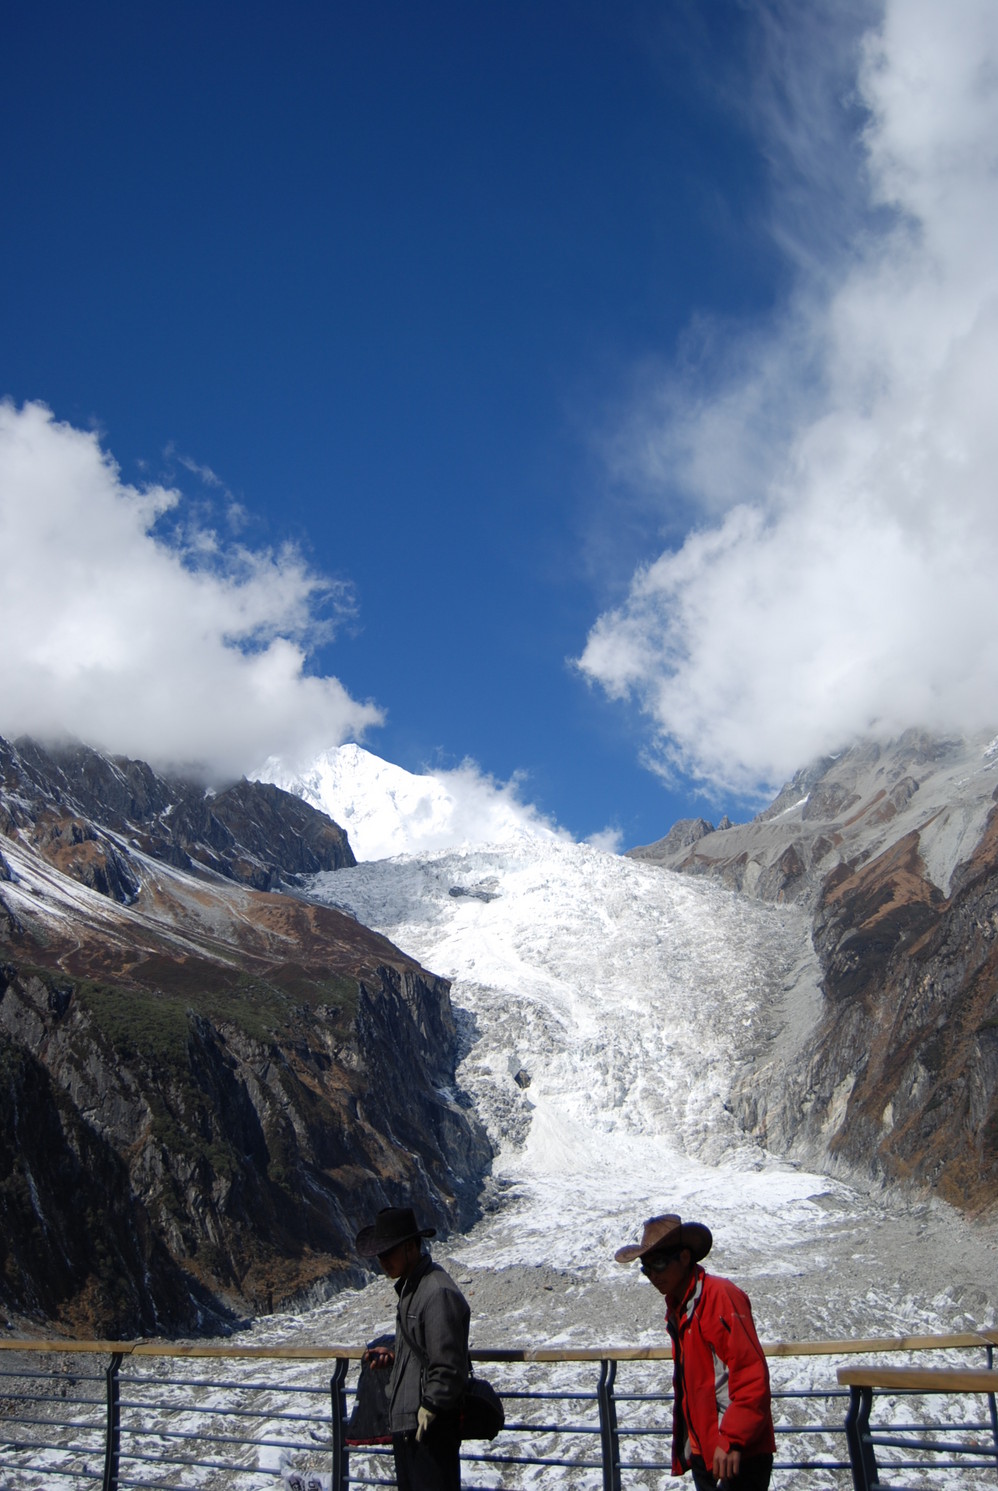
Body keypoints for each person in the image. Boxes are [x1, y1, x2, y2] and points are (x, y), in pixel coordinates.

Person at [615, 1213, 775, 1491]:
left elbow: (750, 1373)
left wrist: (733, 1439)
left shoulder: (719, 1296)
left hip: (737, 1452)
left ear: (685, 1257)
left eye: (660, 1264)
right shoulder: (681, 1305)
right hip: (708, 1450)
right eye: (646, 1268)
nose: (653, 1275)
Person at [355, 1205, 470, 1491]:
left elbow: (448, 1364)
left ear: (410, 1247)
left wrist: (430, 1406)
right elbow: (427, 1350)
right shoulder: (414, 1289)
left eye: (388, 1252)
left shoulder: (436, 1291)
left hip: (429, 1428)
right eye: (380, 1255)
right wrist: (395, 1357)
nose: (382, 1261)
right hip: (411, 1423)